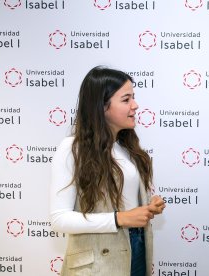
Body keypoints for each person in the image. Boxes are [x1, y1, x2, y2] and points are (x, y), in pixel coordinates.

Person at [50, 66, 165, 276]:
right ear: (102, 106)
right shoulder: (72, 148)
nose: (135, 105)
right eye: (126, 99)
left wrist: (149, 206)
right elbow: (59, 219)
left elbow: (127, 204)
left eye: (134, 98)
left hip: (137, 247)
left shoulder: (128, 149)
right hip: (96, 265)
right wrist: (119, 219)